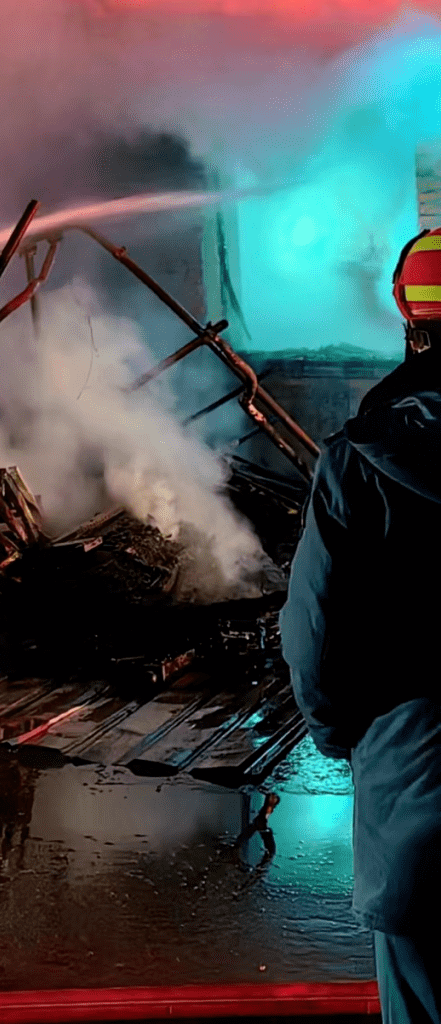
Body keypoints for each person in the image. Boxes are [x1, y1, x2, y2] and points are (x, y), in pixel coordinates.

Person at [281, 227, 441, 1024]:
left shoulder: (357, 460)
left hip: (415, 801)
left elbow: (311, 634)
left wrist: (341, 735)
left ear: (408, 319)